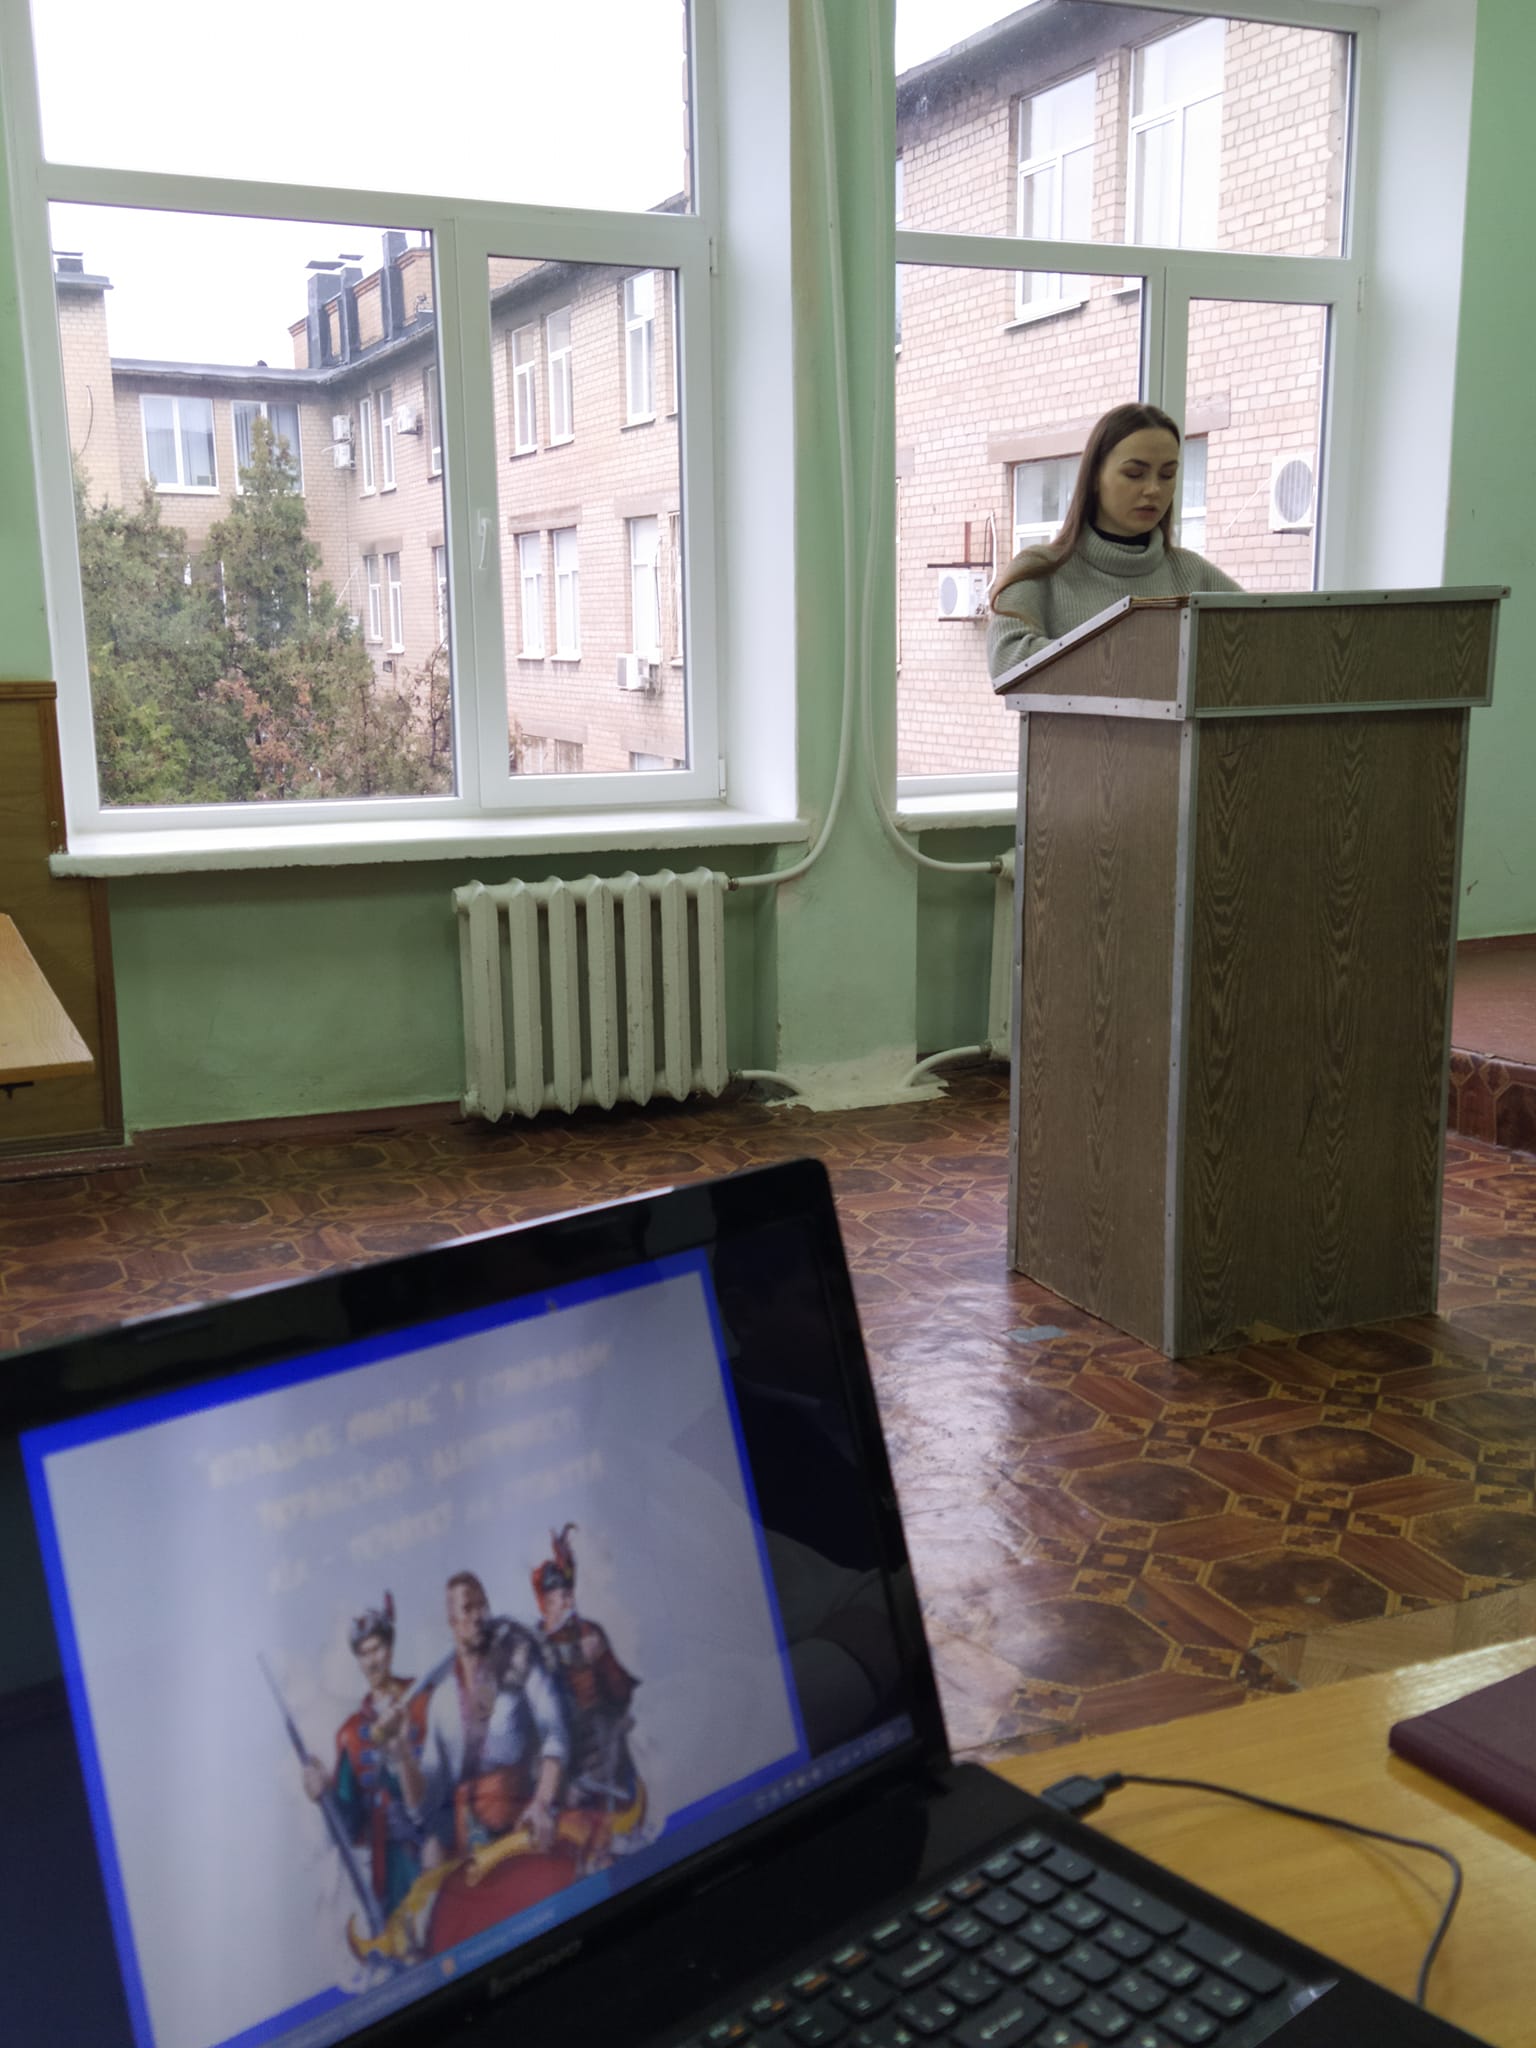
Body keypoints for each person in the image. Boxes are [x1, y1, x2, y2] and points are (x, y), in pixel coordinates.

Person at [987, 402, 1242, 681]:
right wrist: (1139, 657)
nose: (1153, 489)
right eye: (1134, 474)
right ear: (1094, 477)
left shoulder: (1194, 574)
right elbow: (1007, 662)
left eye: (1167, 475)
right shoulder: (1040, 570)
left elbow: (1261, 642)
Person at [400, 1571, 568, 1859]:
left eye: (482, 1606)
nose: (478, 1616)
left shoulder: (518, 1661)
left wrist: (541, 1803)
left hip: (526, 1825)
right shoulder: (441, 1699)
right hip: (473, 1846)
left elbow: (555, 1736)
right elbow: (426, 1806)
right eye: (468, 1608)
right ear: (452, 1620)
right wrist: (400, 1753)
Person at [300, 1593, 429, 1918]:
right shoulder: (351, 1733)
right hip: (390, 1871)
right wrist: (324, 1794)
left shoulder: (423, 1701)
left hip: (435, 1850)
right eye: (363, 1653)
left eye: (377, 1649)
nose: (372, 1662)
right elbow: (348, 1823)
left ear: (391, 1648)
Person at [531, 1525, 641, 1818]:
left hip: (607, 1754)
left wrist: (602, 1658)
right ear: (546, 1603)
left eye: (571, 1595)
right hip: (563, 1760)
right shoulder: (533, 1648)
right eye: (562, 1597)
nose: (570, 1604)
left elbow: (621, 1698)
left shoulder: (590, 1633)